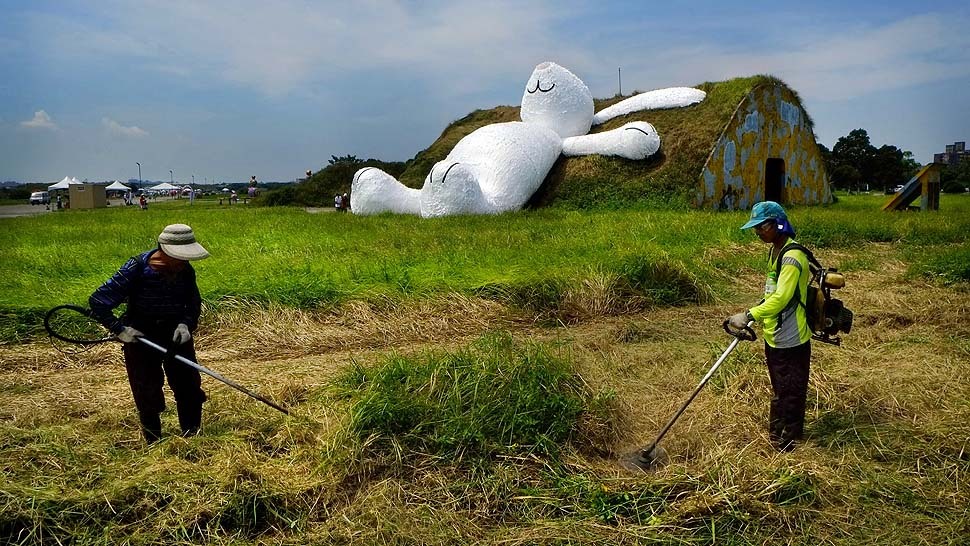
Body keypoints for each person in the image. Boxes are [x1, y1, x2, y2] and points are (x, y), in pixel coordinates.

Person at [89, 224, 211, 443]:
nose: (183, 262)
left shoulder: (185, 270)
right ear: (165, 250)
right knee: (146, 390)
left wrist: (186, 324)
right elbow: (98, 301)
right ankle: (155, 442)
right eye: (179, 257)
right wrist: (119, 329)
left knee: (188, 386)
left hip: (176, 335)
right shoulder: (135, 268)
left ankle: (192, 436)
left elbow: (193, 302)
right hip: (141, 336)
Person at [727, 201, 812, 452]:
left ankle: (790, 440)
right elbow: (771, 292)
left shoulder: (793, 256)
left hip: (792, 337)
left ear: (779, 223)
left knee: (791, 388)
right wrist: (755, 314)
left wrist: (750, 313)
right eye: (755, 228)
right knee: (780, 386)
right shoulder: (775, 251)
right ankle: (777, 432)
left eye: (761, 227)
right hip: (774, 333)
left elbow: (783, 297)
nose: (757, 232)